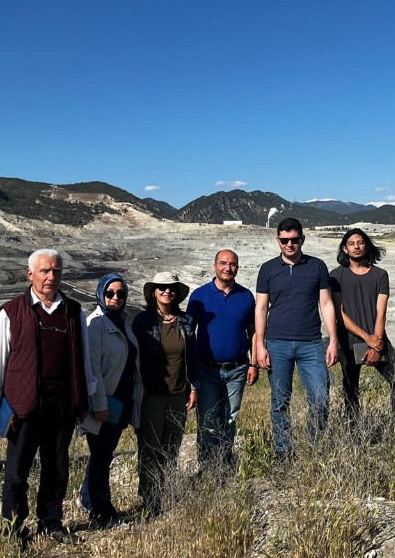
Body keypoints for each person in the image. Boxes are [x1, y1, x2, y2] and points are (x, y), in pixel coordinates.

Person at [0, 249, 87, 545]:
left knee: (57, 469)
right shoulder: (12, 311)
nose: (51, 277)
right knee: (17, 472)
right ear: (30, 275)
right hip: (24, 407)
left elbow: (84, 361)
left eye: (57, 271)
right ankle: (13, 528)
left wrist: (83, 402)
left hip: (61, 406)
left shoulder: (74, 312)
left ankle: (51, 523)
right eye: (45, 271)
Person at [255, 218, 338, 460]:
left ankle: (312, 445)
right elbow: (261, 308)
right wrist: (260, 345)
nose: (289, 244)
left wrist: (333, 340)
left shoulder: (317, 266)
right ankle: (283, 450)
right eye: (284, 240)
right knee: (279, 400)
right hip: (277, 342)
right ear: (277, 241)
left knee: (321, 398)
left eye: (294, 240)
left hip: (311, 342)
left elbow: (326, 303)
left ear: (302, 239)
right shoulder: (268, 269)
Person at [78, 272, 143, 528]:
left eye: (120, 293)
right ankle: (103, 513)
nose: (115, 298)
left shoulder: (123, 321)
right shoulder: (95, 325)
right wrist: (101, 405)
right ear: (100, 294)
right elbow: (93, 369)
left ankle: (88, 498)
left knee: (103, 454)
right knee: (102, 455)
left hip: (123, 399)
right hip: (107, 402)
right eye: (110, 293)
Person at [132, 271, 199, 515]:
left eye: (171, 287)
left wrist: (193, 387)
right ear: (153, 292)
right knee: (150, 448)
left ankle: (166, 493)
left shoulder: (186, 321)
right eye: (161, 287)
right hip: (152, 394)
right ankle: (150, 499)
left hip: (178, 393)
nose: (166, 291)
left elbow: (192, 357)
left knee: (172, 447)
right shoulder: (143, 322)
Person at [187, 249, 258, 472]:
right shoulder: (199, 296)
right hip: (207, 370)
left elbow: (253, 332)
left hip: (237, 369)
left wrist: (254, 363)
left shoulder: (246, 296)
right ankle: (207, 468)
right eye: (223, 263)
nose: (228, 268)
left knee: (229, 419)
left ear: (238, 267)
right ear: (215, 265)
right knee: (208, 421)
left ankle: (225, 466)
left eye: (233, 264)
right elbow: (189, 334)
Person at [329, 228, 395, 420]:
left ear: (366, 245)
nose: (356, 247)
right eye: (351, 243)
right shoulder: (336, 275)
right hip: (348, 341)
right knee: (351, 389)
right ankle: (354, 434)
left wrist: (376, 343)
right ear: (345, 249)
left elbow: (381, 312)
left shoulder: (380, 275)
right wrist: (368, 339)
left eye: (360, 242)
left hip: (378, 337)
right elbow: (339, 314)